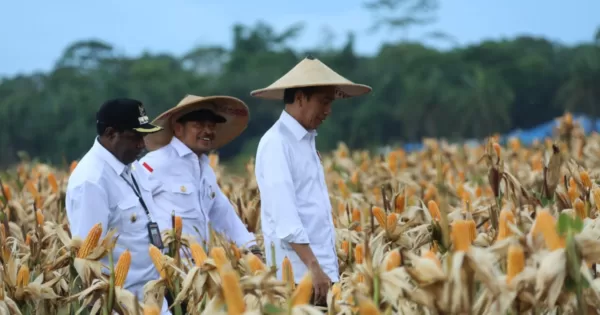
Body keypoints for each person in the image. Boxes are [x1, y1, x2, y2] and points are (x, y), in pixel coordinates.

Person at [250, 55, 372, 306]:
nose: (328, 110)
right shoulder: (277, 143)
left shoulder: (306, 141)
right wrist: (313, 267)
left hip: (319, 273)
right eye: (324, 102)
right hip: (297, 276)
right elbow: (286, 217)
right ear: (300, 98)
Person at [66, 98, 171, 314]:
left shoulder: (132, 166)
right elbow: (90, 263)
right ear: (111, 133)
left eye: (144, 136)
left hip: (155, 302)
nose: (143, 144)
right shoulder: (91, 181)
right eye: (136, 137)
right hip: (123, 307)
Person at [140, 95, 262, 257]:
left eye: (211, 125)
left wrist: (251, 248)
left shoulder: (205, 170)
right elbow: (132, 212)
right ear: (178, 128)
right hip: (164, 268)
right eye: (198, 125)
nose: (207, 131)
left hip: (196, 270)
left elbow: (224, 215)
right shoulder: (155, 163)